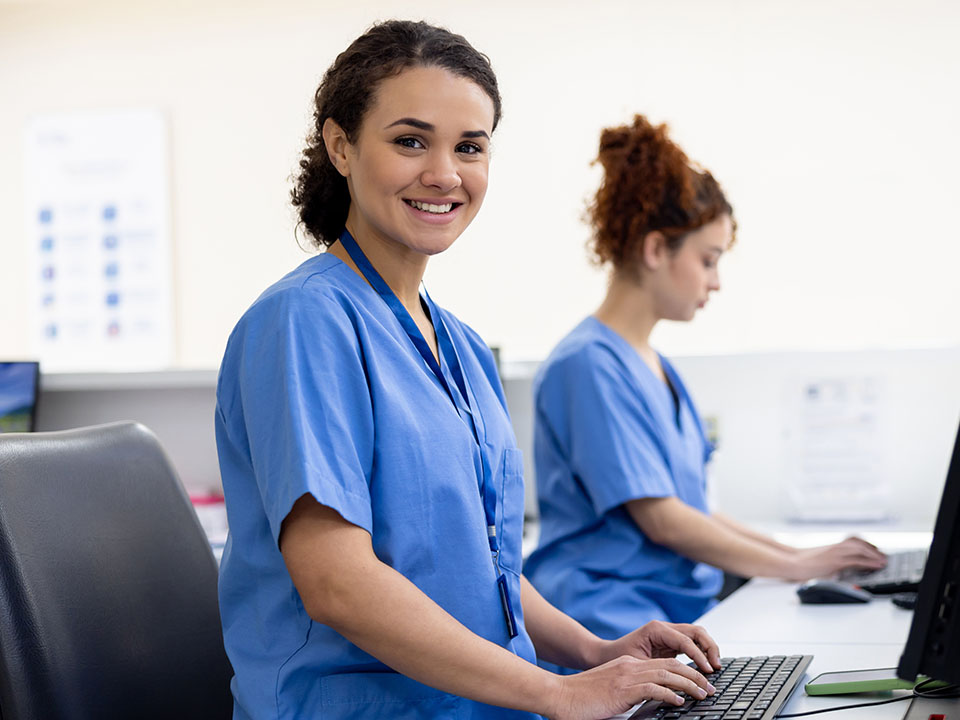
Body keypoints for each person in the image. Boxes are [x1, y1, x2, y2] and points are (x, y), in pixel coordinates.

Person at [214, 22, 722, 720]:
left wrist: (593, 652)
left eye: (470, 147)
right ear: (341, 146)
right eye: (410, 140)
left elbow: (489, 571)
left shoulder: (460, 345)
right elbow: (338, 584)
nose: (445, 174)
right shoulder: (304, 322)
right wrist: (555, 690)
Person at [523, 116, 888, 642]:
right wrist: (796, 567)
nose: (715, 282)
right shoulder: (586, 366)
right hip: (606, 624)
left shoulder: (655, 364)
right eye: (708, 260)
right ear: (655, 250)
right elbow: (665, 520)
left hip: (669, 614)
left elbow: (697, 510)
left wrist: (800, 556)